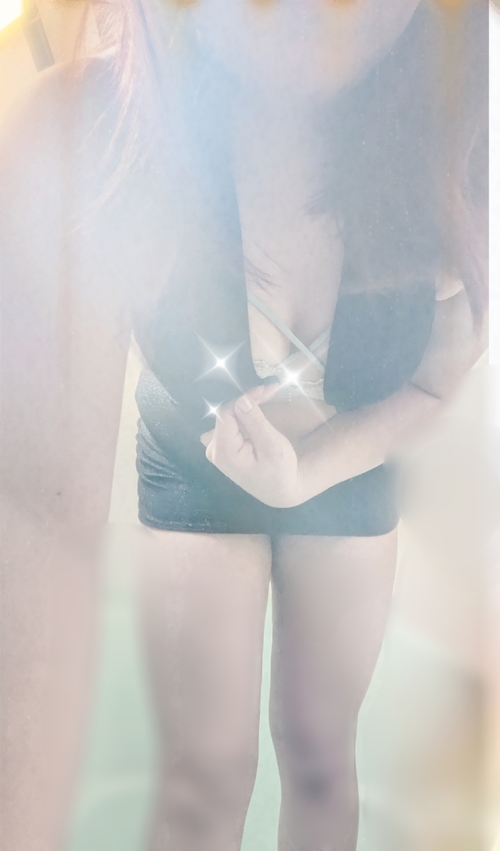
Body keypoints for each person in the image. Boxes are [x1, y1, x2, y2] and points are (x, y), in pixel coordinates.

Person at [0, 0, 487, 849]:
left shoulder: (456, 155)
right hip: (193, 464)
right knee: (208, 775)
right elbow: (36, 516)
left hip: (350, 471)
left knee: (322, 761)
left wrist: (314, 470)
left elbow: (438, 377)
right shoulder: (93, 136)